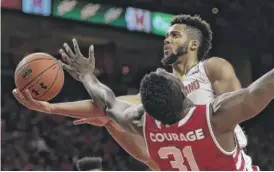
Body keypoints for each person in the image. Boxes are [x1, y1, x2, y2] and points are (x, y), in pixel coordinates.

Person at [12, 14, 250, 169]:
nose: (167, 40)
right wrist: (50, 107)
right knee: (121, 129)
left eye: (175, 35)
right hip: (185, 163)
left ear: (194, 44)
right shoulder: (160, 88)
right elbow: (107, 106)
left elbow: (236, 109)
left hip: (222, 159)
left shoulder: (211, 68)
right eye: (166, 35)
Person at [53, 42, 272, 170]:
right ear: (182, 93)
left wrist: (86, 75)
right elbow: (257, 92)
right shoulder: (214, 118)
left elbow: (108, 103)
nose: (167, 72)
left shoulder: (142, 123)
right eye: (170, 77)